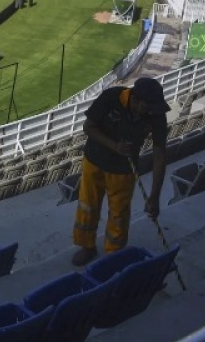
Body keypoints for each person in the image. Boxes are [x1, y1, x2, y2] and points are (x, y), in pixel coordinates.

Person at [71, 77, 170, 266]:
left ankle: (113, 256)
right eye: (147, 107)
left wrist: (155, 195)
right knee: (88, 206)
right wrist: (114, 146)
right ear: (135, 100)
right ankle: (87, 247)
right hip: (94, 161)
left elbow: (159, 154)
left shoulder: (156, 113)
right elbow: (88, 127)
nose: (151, 112)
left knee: (119, 215)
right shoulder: (111, 97)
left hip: (124, 170)